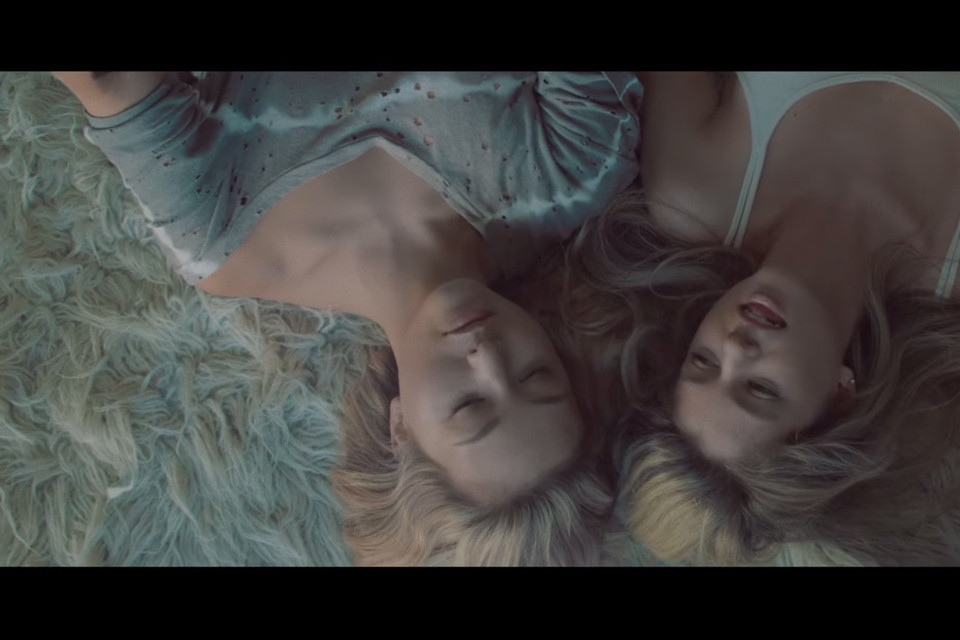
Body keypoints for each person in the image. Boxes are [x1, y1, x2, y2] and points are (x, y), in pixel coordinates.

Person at [53, 71, 643, 565]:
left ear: (399, 431)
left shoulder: (217, 239)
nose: (488, 355)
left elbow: (110, 84)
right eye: (537, 375)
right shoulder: (575, 172)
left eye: (470, 406)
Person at [576, 72, 960, 565]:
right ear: (840, 394)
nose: (736, 347)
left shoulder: (692, 193)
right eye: (760, 389)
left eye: (703, 361)